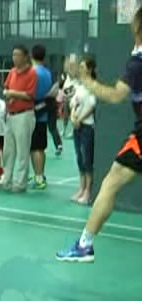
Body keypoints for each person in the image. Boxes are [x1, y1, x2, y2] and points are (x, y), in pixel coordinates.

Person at [57, 7, 142, 262]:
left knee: (111, 183)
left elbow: (115, 95)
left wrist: (86, 79)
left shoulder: (137, 63)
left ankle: (85, 245)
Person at [0, 45, 37, 192]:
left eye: (17, 55)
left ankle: (20, 183)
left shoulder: (32, 73)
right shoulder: (12, 72)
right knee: (8, 150)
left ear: (25, 57)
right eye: (13, 55)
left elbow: (30, 95)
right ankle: (6, 179)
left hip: (24, 115)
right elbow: (6, 88)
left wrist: (13, 93)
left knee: (22, 151)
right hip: (11, 115)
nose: (14, 58)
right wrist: (7, 95)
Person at [69, 54, 97, 205]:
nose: (79, 69)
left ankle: (88, 192)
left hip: (87, 127)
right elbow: (74, 104)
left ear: (90, 69)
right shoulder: (79, 86)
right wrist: (73, 117)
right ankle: (81, 188)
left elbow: (91, 106)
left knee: (87, 159)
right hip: (76, 127)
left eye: (82, 67)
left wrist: (80, 119)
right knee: (79, 158)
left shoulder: (93, 86)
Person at [29, 44, 54, 190]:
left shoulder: (32, 72)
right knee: (40, 148)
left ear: (31, 55)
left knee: (35, 148)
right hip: (44, 114)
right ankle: (40, 174)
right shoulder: (47, 73)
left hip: (34, 114)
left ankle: (38, 178)